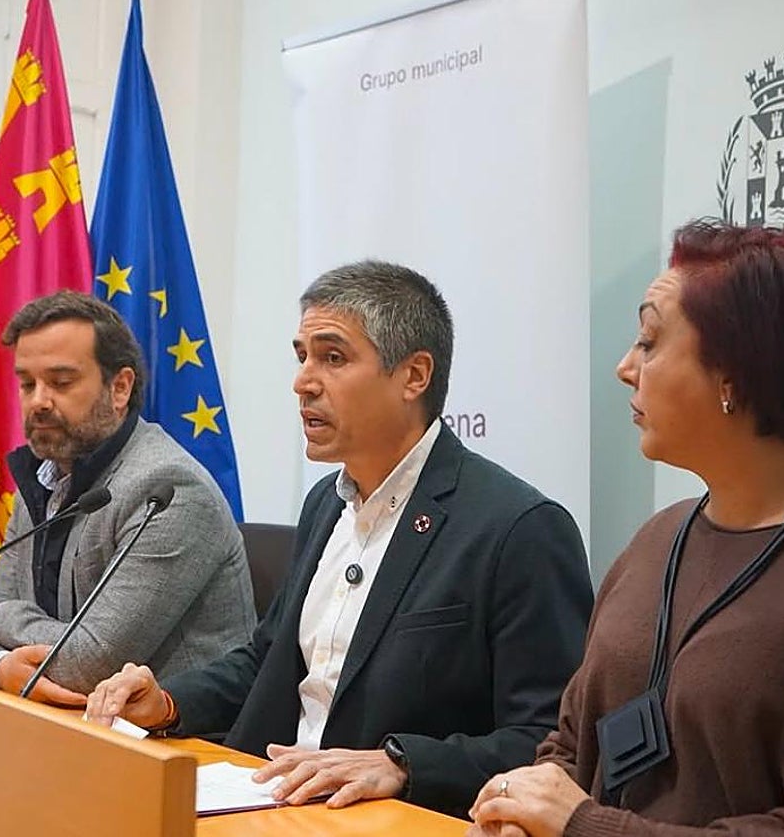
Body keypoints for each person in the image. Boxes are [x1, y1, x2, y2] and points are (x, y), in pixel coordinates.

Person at [86, 261, 593, 816]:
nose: (303, 381)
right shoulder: (326, 503)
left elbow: (547, 741)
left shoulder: (518, 527)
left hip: (391, 820)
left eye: (333, 357)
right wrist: (168, 702)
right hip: (272, 800)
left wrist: (402, 764)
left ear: (414, 376)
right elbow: (268, 661)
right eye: (301, 356)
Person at [468, 220, 784, 836]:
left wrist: (586, 826)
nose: (625, 368)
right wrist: (519, 811)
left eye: (649, 342)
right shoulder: (658, 539)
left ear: (735, 375)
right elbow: (571, 746)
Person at [0, 291, 256, 701]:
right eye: (27, 384)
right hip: (68, 728)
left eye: (61, 382)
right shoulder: (43, 475)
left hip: (177, 745)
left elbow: (90, 662)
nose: (39, 401)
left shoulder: (168, 489)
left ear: (119, 388)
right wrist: (1, 666)